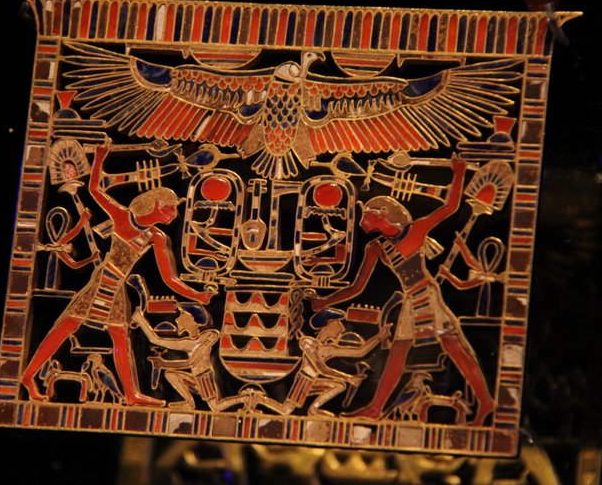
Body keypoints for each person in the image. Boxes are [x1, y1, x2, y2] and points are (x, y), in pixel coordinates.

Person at [22, 142, 213, 404]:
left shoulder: (156, 237)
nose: (174, 214)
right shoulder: (123, 217)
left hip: (117, 286)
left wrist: (198, 295)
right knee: (66, 326)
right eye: (171, 207)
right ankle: (28, 376)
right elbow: (94, 189)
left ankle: (131, 394)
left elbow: (169, 279)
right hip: (103, 280)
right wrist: (100, 157)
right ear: (156, 204)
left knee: (118, 336)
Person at [310, 157, 495, 425]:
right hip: (412, 298)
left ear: (383, 214)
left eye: (368, 213)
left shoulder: (415, 230)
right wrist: (326, 300)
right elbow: (358, 287)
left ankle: (485, 402)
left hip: (426, 295)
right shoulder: (376, 248)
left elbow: (451, 207)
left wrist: (459, 172)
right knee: (414, 350)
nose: (363, 220)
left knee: (450, 347)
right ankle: (377, 409)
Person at [248, 308, 382, 417]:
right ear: (327, 325)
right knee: (286, 410)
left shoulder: (329, 349)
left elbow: (359, 352)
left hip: (312, 382)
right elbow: (320, 368)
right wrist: (348, 378)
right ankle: (256, 398)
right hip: (303, 381)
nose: (341, 328)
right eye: (337, 322)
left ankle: (313, 409)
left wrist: (379, 337)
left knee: (339, 385)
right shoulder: (308, 343)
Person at [132, 304, 247, 411]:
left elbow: (190, 362)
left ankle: (245, 398)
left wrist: (163, 364)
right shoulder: (188, 343)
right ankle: (189, 402)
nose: (177, 319)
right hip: (195, 379)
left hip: (204, 379)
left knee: (215, 407)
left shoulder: (204, 339)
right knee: (170, 375)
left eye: (182, 315)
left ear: (192, 319)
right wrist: (141, 320)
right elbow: (156, 340)